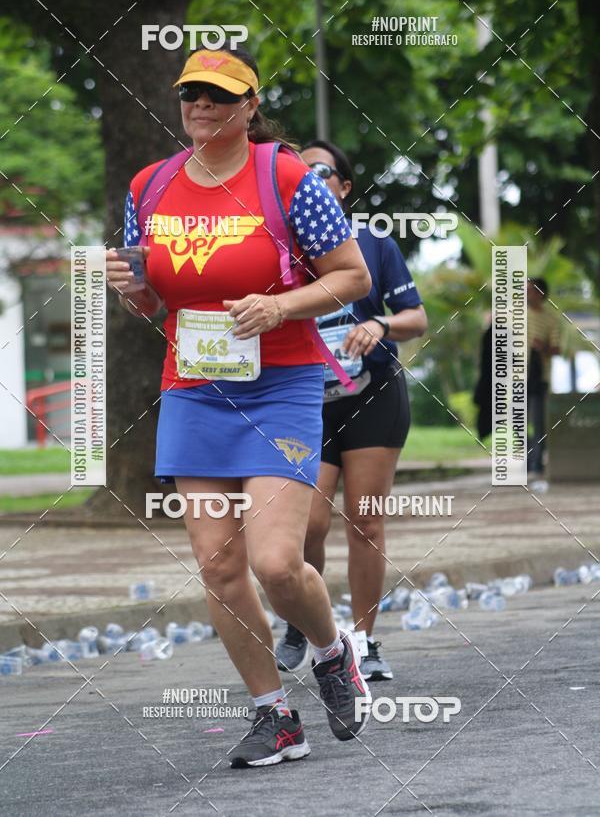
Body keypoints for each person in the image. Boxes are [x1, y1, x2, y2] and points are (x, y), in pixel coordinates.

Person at [106, 45, 373, 768]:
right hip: (194, 388)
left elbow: (349, 276)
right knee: (219, 568)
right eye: (192, 94)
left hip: (280, 387)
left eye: (221, 97)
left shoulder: (286, 177)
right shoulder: (151, 185)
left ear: (250, 106)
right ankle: (274, 716)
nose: (203, 106)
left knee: (278, 561)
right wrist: (132, 293)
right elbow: (155, 300)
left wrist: (280, 304)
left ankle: (330, 649)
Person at [276, 140, 427, 681]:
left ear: (342, 187)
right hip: (302, 402)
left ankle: (364, 639)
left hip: (373, 396)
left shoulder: (374, 242)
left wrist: (380, 324)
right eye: (300, 171)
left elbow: (416, 316)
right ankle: (303, 619)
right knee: (309, 523)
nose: (310, 178)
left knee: (364, 519)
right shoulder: (278, 239)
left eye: (322, 171)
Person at [527, 277, 560, 477]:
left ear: (540, 294)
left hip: (539, 378)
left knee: (539, 422)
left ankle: (537, 464)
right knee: (516, 422)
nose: (525, 294)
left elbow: (557, 350)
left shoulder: (551, 319)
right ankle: (533, 457)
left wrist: (543, 347)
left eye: (529, 290)